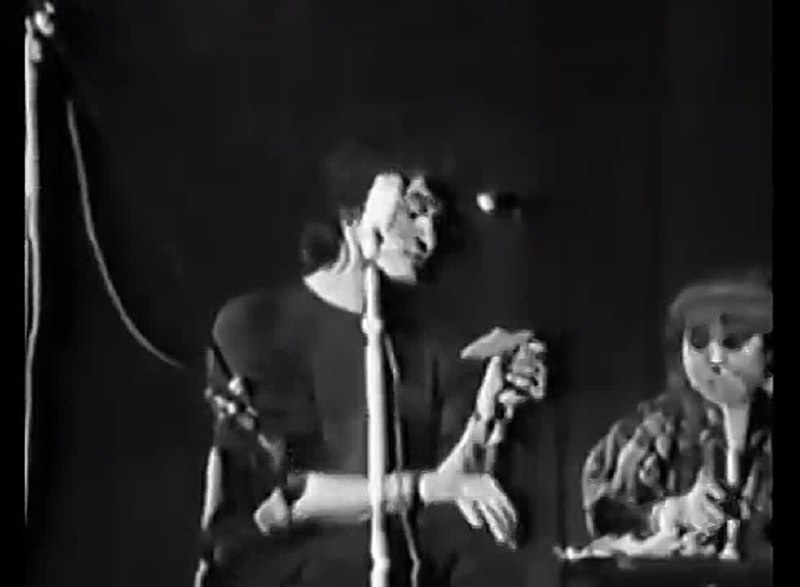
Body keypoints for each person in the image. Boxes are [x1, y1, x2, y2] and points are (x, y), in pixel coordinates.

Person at [194, 148, 546, 587]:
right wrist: (424, 488)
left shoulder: (419, 347)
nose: (429, 237)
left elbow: (444, 488)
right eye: (413, 210)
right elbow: (282, 497)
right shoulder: (255, 327)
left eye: (435, 219)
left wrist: (486, 415)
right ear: (354, 211)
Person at [580, 269, 772, 559]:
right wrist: (671, 513)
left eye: (733, 341)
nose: (715, 358)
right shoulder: (657, 427)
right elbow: (603, 508)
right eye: (699, 340)